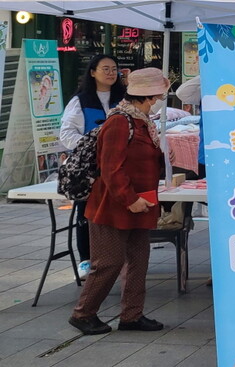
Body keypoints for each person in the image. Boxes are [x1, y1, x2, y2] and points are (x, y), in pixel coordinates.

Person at [68, 67, 171, 336]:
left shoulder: (142, 121)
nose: (161, 98)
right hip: (114, 205)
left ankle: (131, 316)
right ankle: (83, 313)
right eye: (159, 94)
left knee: (138, 261)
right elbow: (111, 168)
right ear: (150, 96)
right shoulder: (120, 121)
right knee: (108, 262)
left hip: (141, 203)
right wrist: (130, 199)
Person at [59, 54, 126, 278]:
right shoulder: (80, 101)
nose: (110, 73)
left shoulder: (124, 99)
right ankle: (86, 259)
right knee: (86, 211)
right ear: (92, 72)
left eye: (114, 69)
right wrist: (93, 144)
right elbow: (66, 134)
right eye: (105, 68)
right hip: (89, 167)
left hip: (119, 165)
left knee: (117, 209)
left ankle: (116, 258)